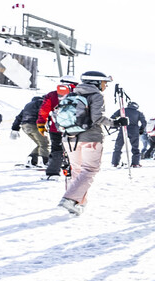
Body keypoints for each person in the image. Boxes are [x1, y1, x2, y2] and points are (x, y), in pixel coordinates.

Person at [59, 71, 118, 216]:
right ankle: (70, 199)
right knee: (90, 170)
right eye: (104, 83)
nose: (105, 86)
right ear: (96, 82)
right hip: (90, 137)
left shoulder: (71, 94)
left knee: (77, 170)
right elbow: (97, 118)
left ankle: (78, 203)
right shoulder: (96, 95)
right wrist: (115, 123)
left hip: (70, 137)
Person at [39, 77, 79, 178]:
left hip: (56, 128)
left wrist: (41, 124)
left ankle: (53, 173)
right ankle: (72, 171)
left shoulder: (52, 95)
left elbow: (44, 110)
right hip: (74, 128)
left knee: (56, 149)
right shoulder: (79, 95)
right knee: (73, 150)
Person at [11, 95, 47, 167]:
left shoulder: (27, 106)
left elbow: (18, 117)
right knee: (45, 143)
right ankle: (45, 162)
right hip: (35, 125)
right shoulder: (40, 103)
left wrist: (15, 128)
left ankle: (31, 159)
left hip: (25, 127)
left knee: (40, 144)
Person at [110, 101, 145, 168]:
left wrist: (116, 124)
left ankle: (115, 163)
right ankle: (135, 163)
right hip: (134, 130)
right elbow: (144, 122)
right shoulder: (138, 113)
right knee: (135, 147)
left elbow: (112, 117)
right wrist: (141, 130)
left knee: (118, 146)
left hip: (123, 128)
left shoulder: (122, 110)